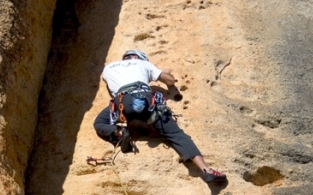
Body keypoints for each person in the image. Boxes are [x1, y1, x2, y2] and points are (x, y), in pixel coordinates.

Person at [93, 49, 227, 183]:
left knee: (100, 123)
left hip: (122, 102)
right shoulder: (143, 64)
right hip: (146, 100)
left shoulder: (108, 68)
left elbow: (112, 86)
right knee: (177, 135)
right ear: (139, 58)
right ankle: (206, 170)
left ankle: (121, 131)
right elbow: (169, 81)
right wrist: (165, 73)